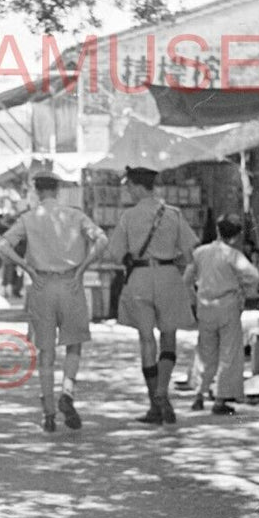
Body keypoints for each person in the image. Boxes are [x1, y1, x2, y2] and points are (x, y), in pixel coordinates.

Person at [0, 173, 108, 432]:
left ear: (36, 191)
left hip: (42, 285)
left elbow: (2, 247)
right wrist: (81, 269)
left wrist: (27, 268)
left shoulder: (28, 218)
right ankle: (67, 392)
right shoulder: (76, 215)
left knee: (45, 351)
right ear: (57, 191)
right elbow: (101, 240)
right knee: (74, 345)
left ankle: (48, 412)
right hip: (70, 284)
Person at [105, 166, 200, 426]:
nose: (127, 191)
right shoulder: (173, 214)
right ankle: (163, 393)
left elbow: (114, 253)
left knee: (147, 340)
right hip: (169, 276)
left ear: (137, 186)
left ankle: (154, 403)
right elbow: (191, 252)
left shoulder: (128, 216)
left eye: (129, 186)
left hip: (140, 279)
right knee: (169, 337)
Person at [183, 217, 259, 416]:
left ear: (217, 231)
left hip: (205, 305)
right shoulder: (233, 255)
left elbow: (187, 279)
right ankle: (220, 398)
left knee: (205, 351)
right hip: (227, 305)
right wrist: (241, 285)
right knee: (229, 352)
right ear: (235, 237)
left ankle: (199, 393)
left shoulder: (199, 252)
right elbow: (253, 275)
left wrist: (195, 297)